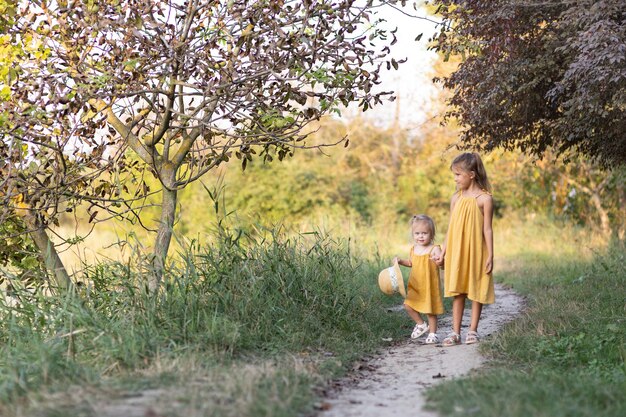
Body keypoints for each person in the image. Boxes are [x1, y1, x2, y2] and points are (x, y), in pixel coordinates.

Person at [432, 152, 495, 347]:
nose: (455, 179)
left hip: (477, 250)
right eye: (455, 175)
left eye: (458, 174)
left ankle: (473, 330)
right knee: (458, 291)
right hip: (458, 251)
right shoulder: (455, 199)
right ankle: (455, 332)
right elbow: (451, 228)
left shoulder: (484, 199)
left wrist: (491, 255)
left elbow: (487, 229)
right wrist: (444, 251)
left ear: (472, 174)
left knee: (477, 288)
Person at [394, 214, 444, 344]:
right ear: (413, 235)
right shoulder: (413, 249)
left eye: (424, 233)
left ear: (431, 234)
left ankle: (433, 333)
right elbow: (411, 263)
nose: (420, 236)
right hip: (415, 285)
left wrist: (439, 261)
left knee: (430, 310)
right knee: (408, 304)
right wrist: (400, 261)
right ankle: (421, 324)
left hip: (429, 285)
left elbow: (442, 263)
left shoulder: (434, 249)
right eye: (417, 233)